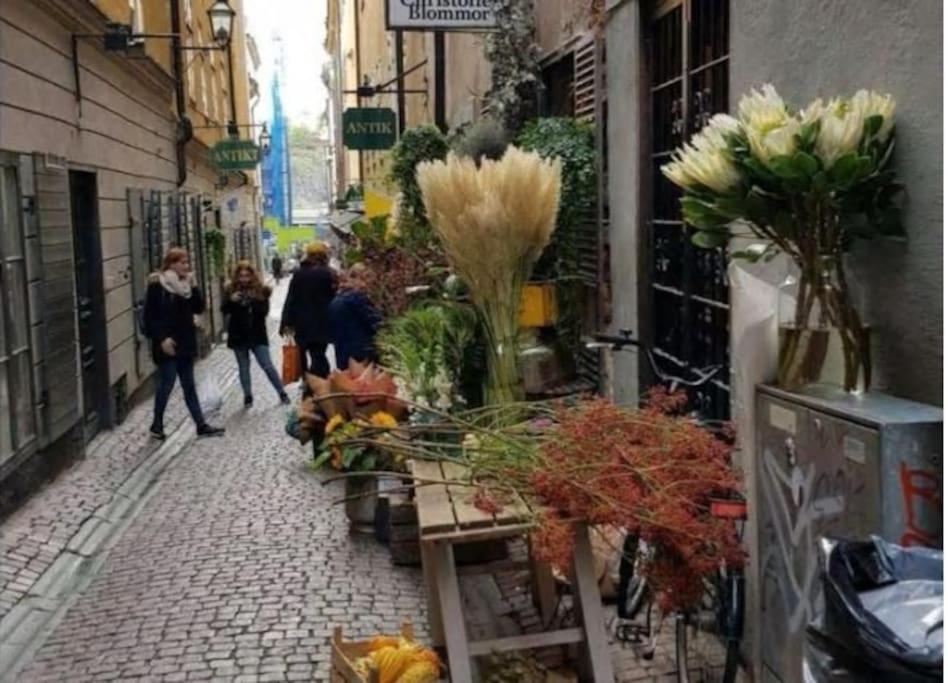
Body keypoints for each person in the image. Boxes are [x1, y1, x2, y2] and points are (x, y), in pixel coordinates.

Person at [143, 248, 225, 440]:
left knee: (189, 385)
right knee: (167, 384)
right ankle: (157, 425)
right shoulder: (158, 285)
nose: (186, 266)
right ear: (171, 264)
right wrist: (162, 338)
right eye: (182, 262)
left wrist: (194, 286)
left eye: (187, 262)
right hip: (167, 344)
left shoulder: (187, 285)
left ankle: (201, 425)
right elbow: (149, 317)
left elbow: (198, 307)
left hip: (185, 342)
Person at [222, 261, 291, 408]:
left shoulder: (262, 290)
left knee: (267, 365)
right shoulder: (230, 290)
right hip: (238, 335)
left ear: (253, 276)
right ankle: (248, 396)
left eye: (247, 275)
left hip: (257, 334)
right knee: (243, 367)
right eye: (241, 276)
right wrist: (232, 301)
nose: (244, 279)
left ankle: (282, 392)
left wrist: (254, 300)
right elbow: (224, 310)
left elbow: (264, 312)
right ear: (236, 277)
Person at [280, 242, 337, 378]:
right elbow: (335, 298)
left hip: (301, 324)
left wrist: (285, 323)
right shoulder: (329, 274)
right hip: (322, 323)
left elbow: (291, 300)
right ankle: (319, 380)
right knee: (319, 355)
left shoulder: (299, 274)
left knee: (302, 355)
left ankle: (306, 380)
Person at [329, 264, 382, 369]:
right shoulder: (356, 298)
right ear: (358, 278)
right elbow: (375, 322)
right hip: (360, 354)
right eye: (367, 279)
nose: (367, 285)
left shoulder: (337, 299)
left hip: (343, 354)